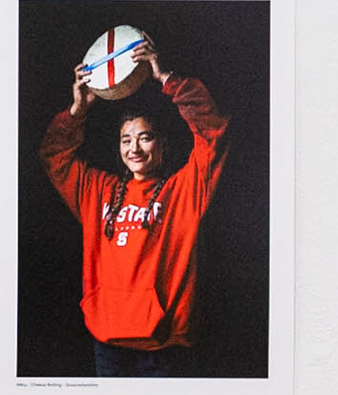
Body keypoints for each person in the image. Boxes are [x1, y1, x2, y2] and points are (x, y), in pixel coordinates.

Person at [36, 36, 230, 376]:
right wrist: (78, 111)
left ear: (162, 144)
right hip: (108, 341)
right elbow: (54, 155)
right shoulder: (98, 191)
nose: (134, 149)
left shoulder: (183, 191)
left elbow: (213, 133)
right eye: (126, 139)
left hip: (165, 345)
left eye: (145, 137)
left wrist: (167, 79)